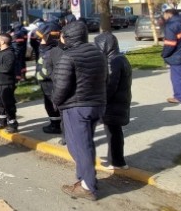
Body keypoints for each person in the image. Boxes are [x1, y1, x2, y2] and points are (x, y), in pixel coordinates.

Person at [52, 21, 107, 201]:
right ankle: (85, 178)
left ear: (68, 37)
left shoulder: (68, 57)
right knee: (86, 144)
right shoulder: (98, 53)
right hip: (96, 104)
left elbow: (61, 87)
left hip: (76, 107)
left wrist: (56, 103)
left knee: (78, 147)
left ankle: (87, 186)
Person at [94, 32, 132, 170]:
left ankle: (117, 161)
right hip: (121, 102)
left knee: (113, 134)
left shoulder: (113, 62)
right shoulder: (121, 58)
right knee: (114, 133)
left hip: (113, 104)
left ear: (105, 46)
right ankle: (116, 159)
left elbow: (110, 85)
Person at [35, 22, 63, 134]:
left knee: (53, 105)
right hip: (45, 82)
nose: (40, 41)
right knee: (49, 104)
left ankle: (57, 125)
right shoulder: (45, 49)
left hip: (51, 82)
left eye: (42, 38)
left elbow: (49, 69)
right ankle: (54, 123)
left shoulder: (52, 51)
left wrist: (42, 76)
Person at [0, 34, 18, 133]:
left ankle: (12, 123)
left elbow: (7, 68)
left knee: (8, 104)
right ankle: (2, 120)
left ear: (2, 42)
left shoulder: (9, 54)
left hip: (5, 83)